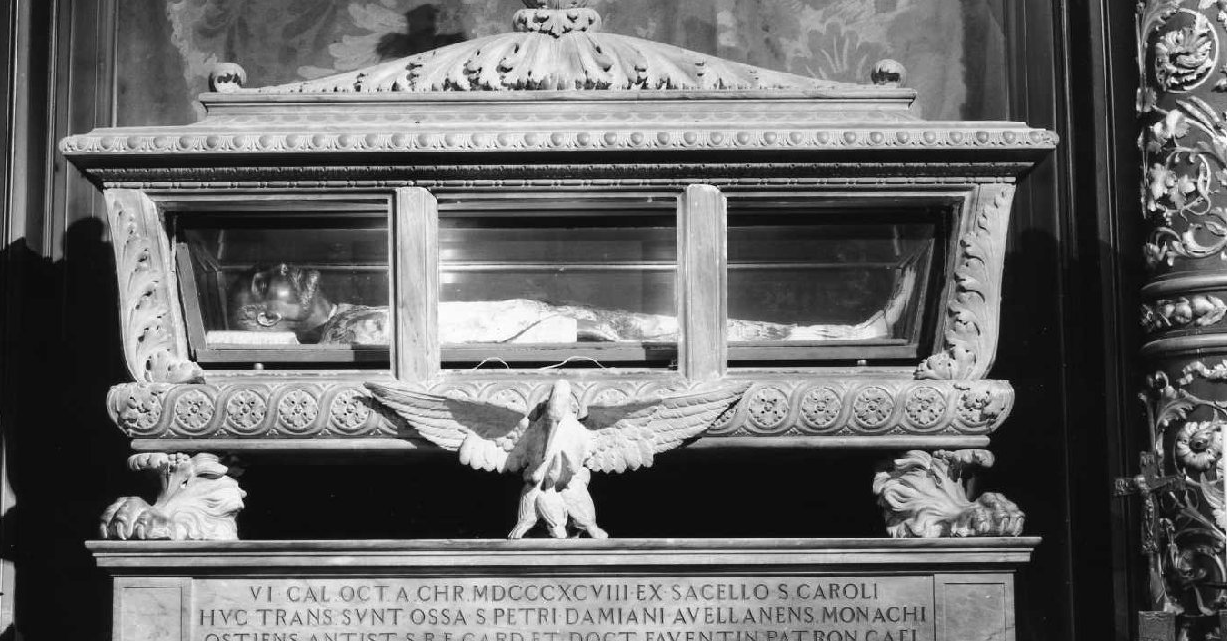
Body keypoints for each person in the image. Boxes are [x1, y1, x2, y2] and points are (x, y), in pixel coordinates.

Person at [228, 263, 914, 345]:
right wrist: (561, 331)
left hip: (550, 322)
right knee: (691, 331)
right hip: (551, 335)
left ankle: (843, 335)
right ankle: (844, 337)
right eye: (264, 284)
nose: (281, 271)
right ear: (265, 320)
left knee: (692, 326)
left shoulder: (352, 322)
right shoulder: (353, 335)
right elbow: (457, 340)